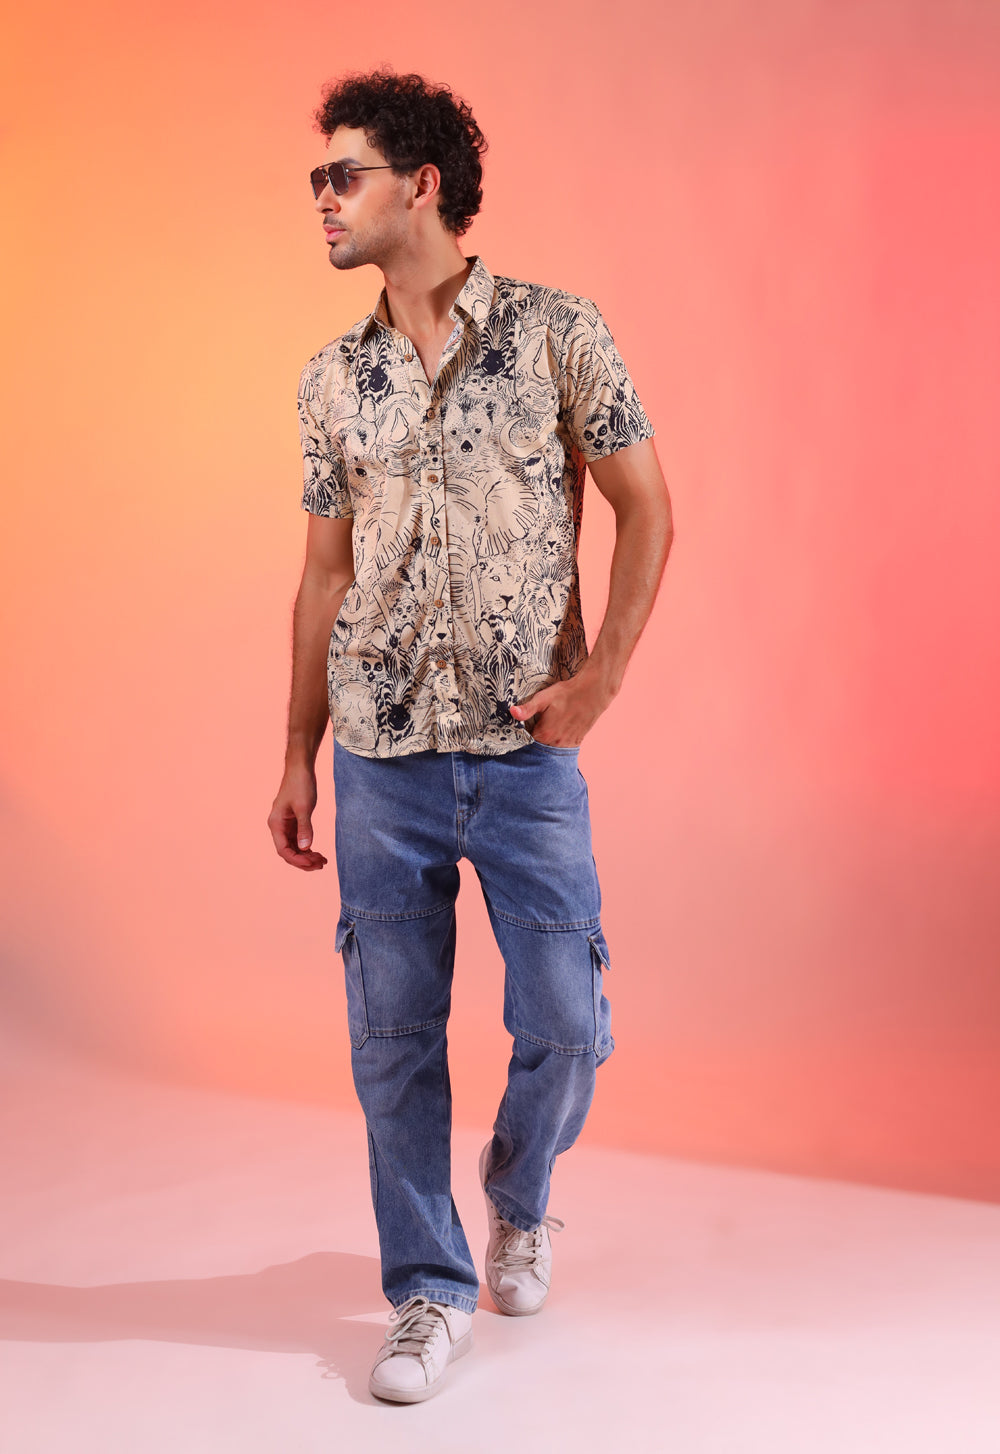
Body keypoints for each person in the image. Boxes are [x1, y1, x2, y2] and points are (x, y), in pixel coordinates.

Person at [268, 69, 673, 1403]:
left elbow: (648, 505)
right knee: (391, 1040)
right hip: (378, 760)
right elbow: (323, 574)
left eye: (345, 175)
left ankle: (520, 1193)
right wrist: (295, 753)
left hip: (524, 757)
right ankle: (427, 1291)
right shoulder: (333, 380)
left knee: (566, 1019)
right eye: (321, 178)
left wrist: (602, 679)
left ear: (422, 184)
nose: (323, 198)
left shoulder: (558, 334)